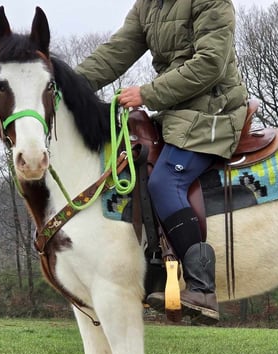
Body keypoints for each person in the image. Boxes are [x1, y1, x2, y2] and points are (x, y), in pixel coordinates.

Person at [76, 0, 248, 324]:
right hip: (176, 112)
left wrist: (147, 94)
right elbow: (117, 51)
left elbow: (210, 63)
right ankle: (150, 270)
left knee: (166, 181)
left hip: (213, 111)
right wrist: (68, 85)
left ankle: (202, 288)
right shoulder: (148, 6)